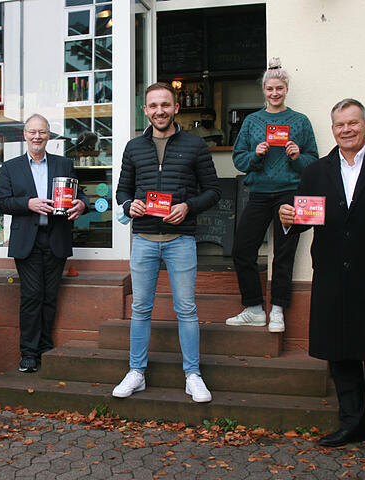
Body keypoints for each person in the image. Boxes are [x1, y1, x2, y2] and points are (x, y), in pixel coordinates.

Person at [278, 99, 365, 467]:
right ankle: (352, 424)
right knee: (339, 354)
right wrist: (289, 217)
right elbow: (308, 218)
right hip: (332, 277)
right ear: (333, 129)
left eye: (353, 123)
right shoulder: (316, 170)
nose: (346, 130)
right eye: (340, 124)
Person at [113, 82, 221, 402]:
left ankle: (193, 375)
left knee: (186, 309)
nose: (159, 110)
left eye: (165, 105)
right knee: (140, 309)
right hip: (144, 240)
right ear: (145, 110)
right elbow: (122, 190)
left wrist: (188, 206)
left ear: (175, 108)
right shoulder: (133, 147)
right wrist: (127, 205)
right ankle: (136, 372)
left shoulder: (195, 145)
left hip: (181, 239)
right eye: (153, 106)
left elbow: (213, 191)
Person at [226, 58, 318, 333]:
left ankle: (278, 309)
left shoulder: (300, 121)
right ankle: (254, 308)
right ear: (263, 90)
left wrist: (297, 156)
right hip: (259, 193)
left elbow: (314, 162)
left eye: (279, 88)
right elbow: (238, 159)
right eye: (270, 89)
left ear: (286, 88)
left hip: (291, 192)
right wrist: (255, 155)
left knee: (284, 253)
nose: (274, 93)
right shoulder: (253, 121)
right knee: (242, 249)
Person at [0, 114, 90, 373]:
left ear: (49, 135)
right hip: (27, 240)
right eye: (32, 132)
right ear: (24, 135)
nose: (37, 136)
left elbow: (79, 194)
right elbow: (1, 202)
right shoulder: (11, 167)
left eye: (42, 132)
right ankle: (28, 353)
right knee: (32, 296)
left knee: (50, 297)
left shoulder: (63, 164)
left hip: (56, 238)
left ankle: (45, 349)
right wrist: (27, 204)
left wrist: (82, 204)